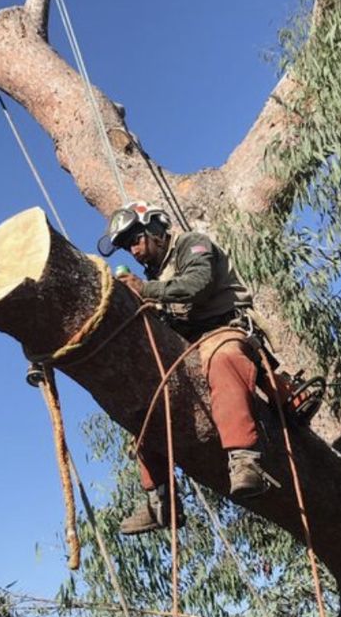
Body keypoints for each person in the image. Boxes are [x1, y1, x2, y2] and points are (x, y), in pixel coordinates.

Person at [97, 200, 277, 534]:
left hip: (224, 328)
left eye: (136, 239)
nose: (133, 251)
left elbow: (198, 284)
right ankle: (160, 500)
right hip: (188, 344)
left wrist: (146, 290)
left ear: (154, 230)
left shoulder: (191, 245)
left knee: (222, 356)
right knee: (145, 401)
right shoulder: (155, 275)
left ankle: (244, 459)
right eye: (126, 247)